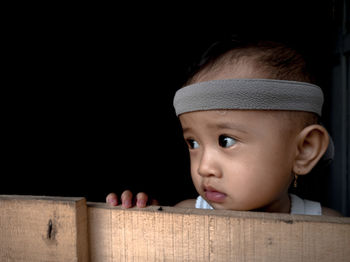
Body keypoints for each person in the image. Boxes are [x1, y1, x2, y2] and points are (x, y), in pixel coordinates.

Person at [106, 36, 341, 216]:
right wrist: (141, 218)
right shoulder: (188, 215)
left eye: (226, 141)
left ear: (304, 150)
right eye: (193, 143)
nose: (204, 168)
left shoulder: (331, 229)